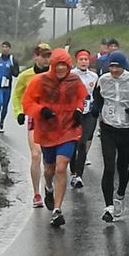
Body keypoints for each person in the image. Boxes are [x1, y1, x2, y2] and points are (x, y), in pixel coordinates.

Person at [22, 48, 88, 227]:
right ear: (52, 66)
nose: (61, 69)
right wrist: (41, 111)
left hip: (68, 130)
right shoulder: (40, 81)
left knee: (61, 167)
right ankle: (48, 188)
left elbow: (81, 97)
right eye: (57, 66)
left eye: (64, 66)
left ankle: (57, 210)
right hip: (47, 131)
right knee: (49, 169)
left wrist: (78, 111)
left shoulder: (74, 80)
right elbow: (28, 103)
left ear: (68, 66)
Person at [90, 51, 129, 223]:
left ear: (123, 66)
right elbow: (97, 98)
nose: (114, 70)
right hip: (108, 127)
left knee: (123, 167)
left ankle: (121, 193)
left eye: (117, 66)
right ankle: (108, 207)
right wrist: (96, 108)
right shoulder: (103, 80)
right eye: (111, 66)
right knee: (109, 166)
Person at [12, 43, 52, 208]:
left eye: (48, 56)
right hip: (34, 119)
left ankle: (49, 187)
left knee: (51, 162)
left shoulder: (55, 75)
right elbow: (17, 96)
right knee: (36, 155)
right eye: (43, 56)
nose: (46, 59)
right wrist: (19, 113)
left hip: (52, 121)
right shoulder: (25, 76)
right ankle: (36, 194)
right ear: (35, 56)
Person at [69, 49, 98, 189]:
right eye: (81, 59)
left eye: (86, 59)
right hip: (74, 112)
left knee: (83, 142)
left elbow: (97, 94)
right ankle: (73, 167)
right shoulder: (71, 75)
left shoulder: (94, 76)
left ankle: (78, 175)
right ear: (76, 61)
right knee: (73, 143)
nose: (83, 62)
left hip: (89, 113)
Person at [0, 41, 20, 133]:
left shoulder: (13, 60)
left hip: (7, 87)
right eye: (3, 47)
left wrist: (12, 69)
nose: (5, 49)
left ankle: (2, 122)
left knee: (5, 106)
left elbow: (16, 74)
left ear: (9, 49)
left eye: (7, 47)